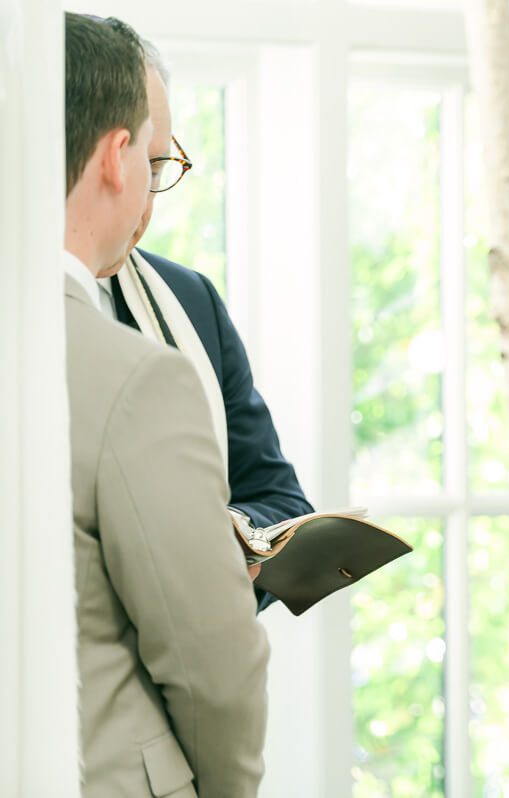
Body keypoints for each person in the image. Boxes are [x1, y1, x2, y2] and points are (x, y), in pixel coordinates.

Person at [63, 13, 268, 797]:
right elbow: (213, 669)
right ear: (118, 157)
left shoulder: (189, 300)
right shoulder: (138, 377)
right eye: (155, 161)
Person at [93, 34, 313, 612]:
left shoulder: (191, 301)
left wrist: (222, 537)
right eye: (144, 161)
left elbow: (278, 498)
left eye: (163, 163)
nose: (147, 199)